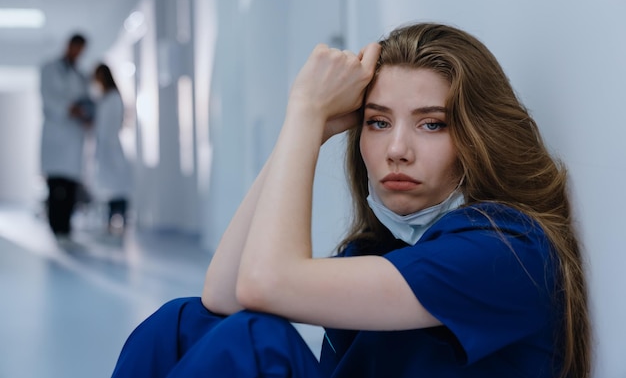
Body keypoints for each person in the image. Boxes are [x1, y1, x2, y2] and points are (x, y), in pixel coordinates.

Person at [110, 22, 591, 378]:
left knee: (255, 343)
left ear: (477, 138)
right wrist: (312, 130)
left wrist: (303, 111)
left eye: (431, 124)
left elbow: (264, 285)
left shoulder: (505, 251)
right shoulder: (381, 250)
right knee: (181, 322)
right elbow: (225, 292)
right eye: (378, 122)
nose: (396, 150)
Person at [40, 33, 92, 238]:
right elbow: (48, 99)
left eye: (81, 50)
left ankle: (66, 229)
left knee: (70, 187)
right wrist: (69, 109)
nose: (78, 53)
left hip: (73, 137)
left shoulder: (81, 76)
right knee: (56, 187)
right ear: (68, 45)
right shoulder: (49, 69)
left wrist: (85, 114)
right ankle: (56, 229)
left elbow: (86, 102)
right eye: (76, 47)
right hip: (56, 134)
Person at [91, 63, 133, 235]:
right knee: (110, 188)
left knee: (117, 187)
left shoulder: (113, 98)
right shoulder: (105, 98)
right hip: (105, 148)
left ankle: (119, 221)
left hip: (112, 147)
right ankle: (110, 223)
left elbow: (108, 126)